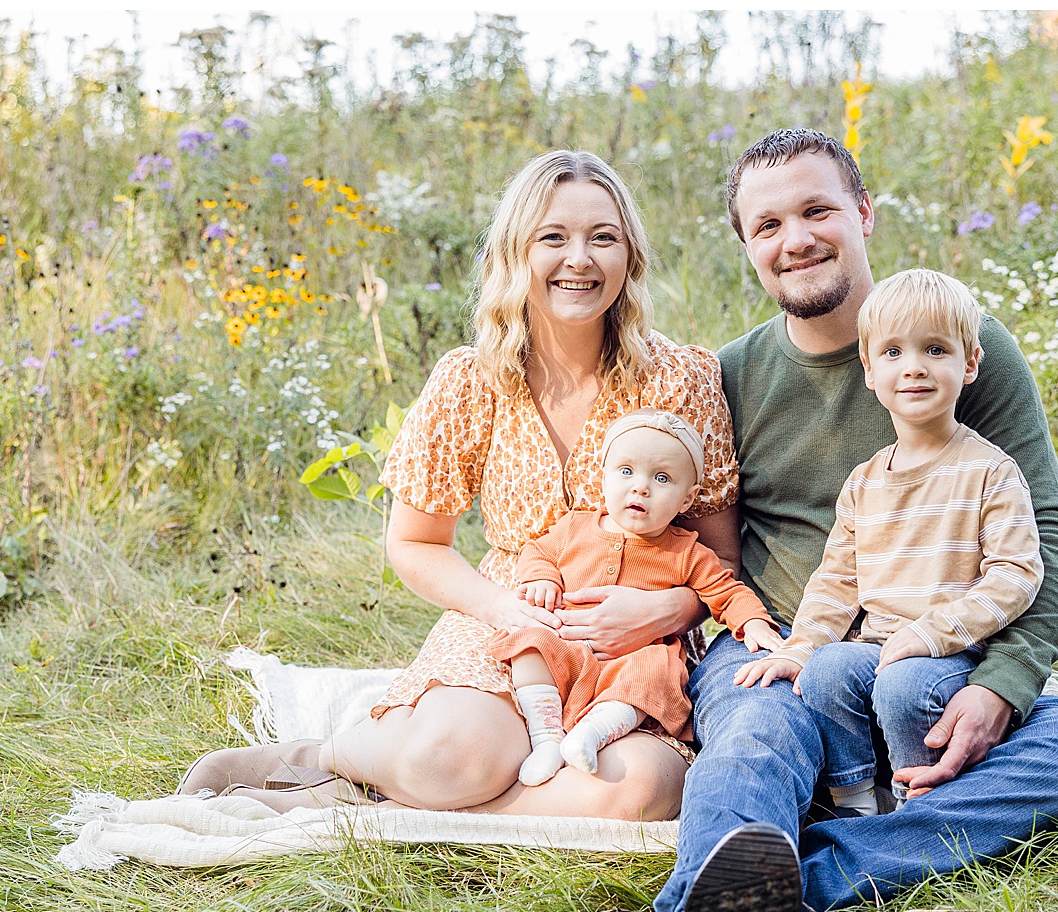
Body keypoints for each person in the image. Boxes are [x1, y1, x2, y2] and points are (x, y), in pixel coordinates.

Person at [655, 129, 1058, 912]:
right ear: (747, 245)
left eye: (818, 210)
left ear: (864, 214)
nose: (796, 239)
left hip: (937, 652)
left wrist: (1003, 684)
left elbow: (1048, 534)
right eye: (768, 225)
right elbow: (697, 543)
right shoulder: (732, 376)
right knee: (750, 745)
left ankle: (797, 877)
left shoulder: (955, 343)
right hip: (788, 647)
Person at [178, 149, 741, 820]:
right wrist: (504, 609)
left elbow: (721, 556)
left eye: (603, 238)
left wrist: (667, 611)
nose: (580, 259)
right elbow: (416, 543)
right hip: (504, 614)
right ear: (514, 253)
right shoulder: (472, 380)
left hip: (632, 649)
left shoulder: (682, 379)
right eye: (552, 237)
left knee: (644, 789)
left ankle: (388, 798)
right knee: (452, 758)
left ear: (630, 256)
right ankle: (326, 758)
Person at [735, 268, 1043, 818]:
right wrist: (800, 646)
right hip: (876, 643)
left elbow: (1016, 575)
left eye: (935, 350)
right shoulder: (866, 481)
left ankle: (919, 802)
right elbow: (837, 580)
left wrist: (931, 632)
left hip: (952, 652)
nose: (915, 368)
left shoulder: (990, 471)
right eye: (894, 353)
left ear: (969, 363)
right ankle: (855, 801)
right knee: (827, 671)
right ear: (870, 369)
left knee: (902, 687)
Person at [489, 408, 783, 786]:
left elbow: (725, 590)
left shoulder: (686, 551)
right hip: (568, 642)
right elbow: (537, 551)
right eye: (626, 472)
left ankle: (595, 731)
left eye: (661, 478)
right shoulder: (575, 527)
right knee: (530, 643)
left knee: (659, 670)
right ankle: (546, 736)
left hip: (632, 660)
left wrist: (753, 620)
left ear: (687, 500)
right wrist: (542, 578)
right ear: (604, 477)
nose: (640, 487)